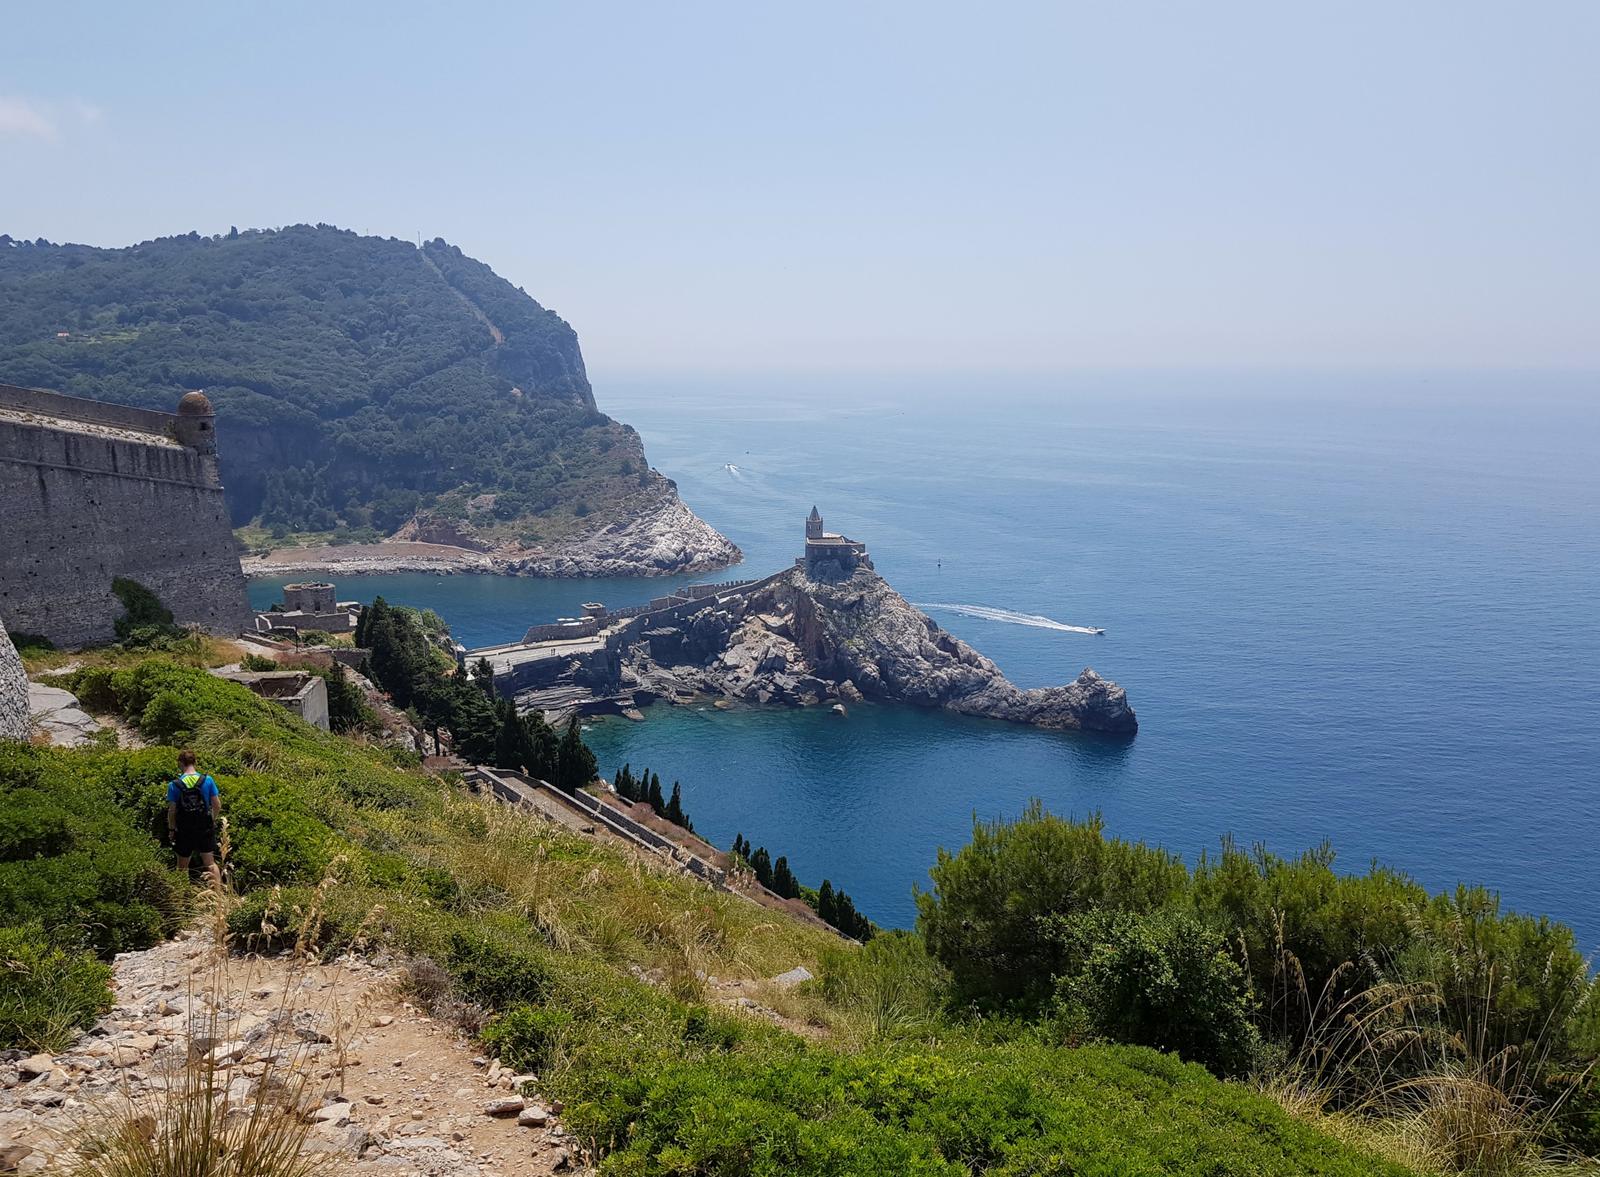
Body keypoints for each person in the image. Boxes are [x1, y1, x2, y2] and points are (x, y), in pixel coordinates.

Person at [167, 750, 222, 888]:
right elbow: (217, 805)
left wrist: (172, 829)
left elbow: (172, 811)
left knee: (182, 867)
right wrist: (211, 820)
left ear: (180, 763)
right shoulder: (207, 780)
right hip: (204, 826)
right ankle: (218, 895)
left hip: (184, 829)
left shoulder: (174, 785)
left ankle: (182, 898)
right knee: (210, 863)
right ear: (195, 762)